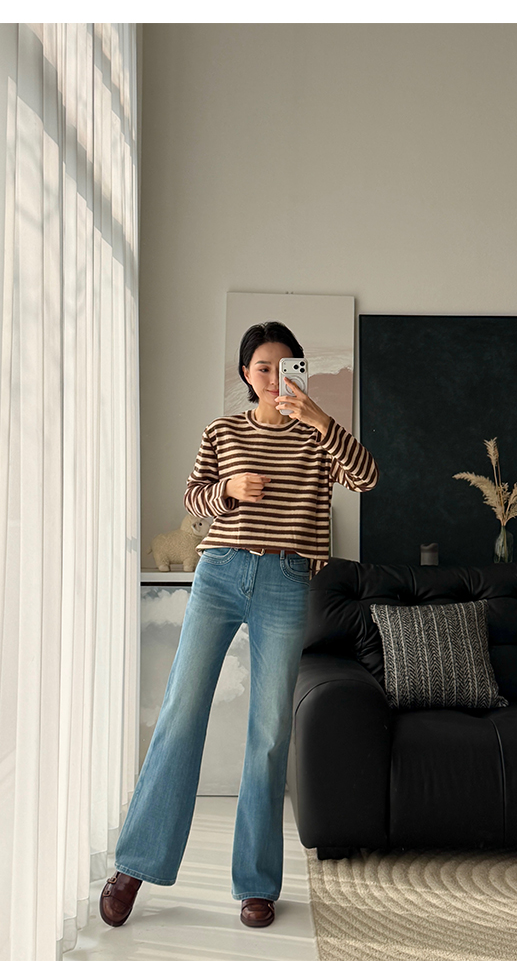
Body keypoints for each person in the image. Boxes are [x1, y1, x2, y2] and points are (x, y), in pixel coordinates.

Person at [100, 321, 378, 930]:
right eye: (262, 368)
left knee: (270, 731)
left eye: (285, 367)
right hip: (220, 573)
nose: (274, 378)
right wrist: (227, 488)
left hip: (286, 580)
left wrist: (320, 420)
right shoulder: (222, 431)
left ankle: (256, 882)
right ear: (246, 375)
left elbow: (367, 477)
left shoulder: (317, 438)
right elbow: (194, 497)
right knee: (181, 712)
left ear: (300, 372)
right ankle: (135, 865)